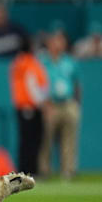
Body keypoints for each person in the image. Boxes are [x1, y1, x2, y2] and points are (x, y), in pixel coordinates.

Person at [38, 30, 82, 180]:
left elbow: (77, 84)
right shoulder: (42, 62)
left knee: (69, 140)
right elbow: (38, 84)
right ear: (49, 43)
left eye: (61, 40)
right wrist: (43, 105)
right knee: (46, 140)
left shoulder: (70, 61)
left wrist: (76, 103)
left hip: (68, 103)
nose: (58, 44)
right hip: (50, 104)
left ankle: (68, 171)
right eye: (55, 40)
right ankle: (44, 170)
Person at [9, 39, 48, 175]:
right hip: (31, 107)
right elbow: (33, 86)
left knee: (24, 141)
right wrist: (42, 104)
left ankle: (23, 170)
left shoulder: (17, 63)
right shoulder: (30, 63)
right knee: (33, 141)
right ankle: (31, 170)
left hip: (21, 106)